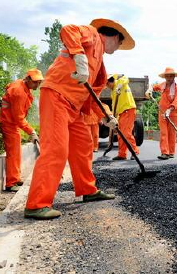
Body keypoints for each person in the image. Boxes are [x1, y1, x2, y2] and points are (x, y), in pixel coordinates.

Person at [24, 18, 135, 220]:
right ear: (115, 36)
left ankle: (87, 190)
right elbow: (68, 30)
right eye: (120, 44)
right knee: (56, 148)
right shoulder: (91, 33)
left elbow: (93, 98)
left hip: (74, 107)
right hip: (57, 95)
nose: (118, 48)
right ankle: (36, 204)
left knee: (83, 146)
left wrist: (106, 115)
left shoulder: (100, 68)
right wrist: (79, 57)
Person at [0, 69, 43, 192]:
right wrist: (32, 132)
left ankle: (15, 177)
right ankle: (11, 183)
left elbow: (7, 89)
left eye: (39, 82)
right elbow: (19, 118)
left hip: (10, 122)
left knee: (16, 151)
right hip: (9, 123)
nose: (37, 85)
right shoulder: (19, 92)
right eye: (35, 82)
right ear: (28, 79)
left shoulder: (21, 85)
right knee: (13, 152)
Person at [145, 67, 177, 160]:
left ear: (174, 77)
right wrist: (149, 90)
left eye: (170, 76)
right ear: (165, 77)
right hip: (162, 113)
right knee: (164, 133)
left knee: (172, 133)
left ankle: (171, 152)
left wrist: (169, 110)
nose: (169, 78)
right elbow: (153, 87)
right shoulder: (162, 85)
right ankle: (165, 152)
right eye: (167, 76)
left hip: (172, 114)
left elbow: (176, 101)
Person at [106, 74, 139, 160]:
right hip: (121, 113)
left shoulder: (120, 82)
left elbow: (125, 78)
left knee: (126, 133)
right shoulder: (113, 92)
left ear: (110, 82)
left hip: (128, 110)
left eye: (107, 84)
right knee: (120, 134)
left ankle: (134, 151)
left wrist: (119, 86)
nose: (107, 86)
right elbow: (114, 106)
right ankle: (122, 154)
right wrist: (113, 118)